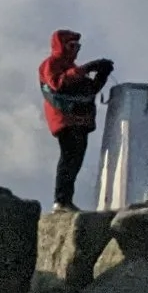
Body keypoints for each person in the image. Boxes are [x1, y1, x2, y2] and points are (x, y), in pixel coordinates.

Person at [39, 29, 114, 210]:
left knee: (76, 160)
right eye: (72, 46)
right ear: (61, 46)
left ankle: (65, 200)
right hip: (65, 119)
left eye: (78, 46)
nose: (76, 50)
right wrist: (86, 68)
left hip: (80, 120)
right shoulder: (51, 63)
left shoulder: (72, 67)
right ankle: (61, 200)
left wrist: (101, 75)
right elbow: (57, 84)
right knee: (69, 158)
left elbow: (90, 90)